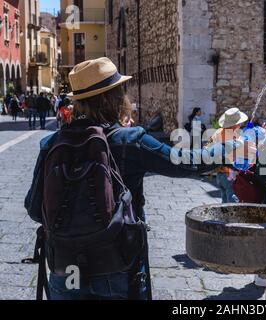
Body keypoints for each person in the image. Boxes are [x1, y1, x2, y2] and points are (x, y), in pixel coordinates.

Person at [24, 57, 233, 300]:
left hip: (64, 268)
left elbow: (34, 208)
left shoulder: (51, 143)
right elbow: (185, 162)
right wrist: (226, 149)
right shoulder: (130, 141)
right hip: (116, 267)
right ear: (112, 98)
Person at [209, 108, 249, 203]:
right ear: (236, 124)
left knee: (224, 203)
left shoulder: (218, 132)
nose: (240, 125)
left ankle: (222, 218)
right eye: (239, 123)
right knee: (232, 205)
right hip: (230, 175)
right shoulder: (235, 137)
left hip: (219, 173)